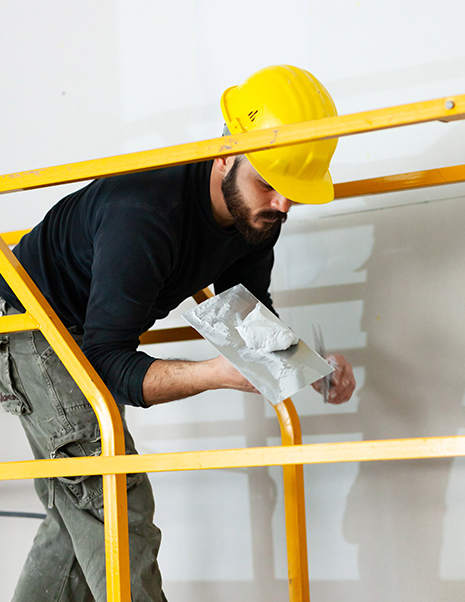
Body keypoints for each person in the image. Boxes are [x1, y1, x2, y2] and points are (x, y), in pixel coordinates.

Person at [0, 65, 356, 601]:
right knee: (114, 496)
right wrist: (213, 374)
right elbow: (107, 363)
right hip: (31, 326)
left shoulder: (256, 217)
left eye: (293, 192)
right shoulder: (145, 212)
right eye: (270, 184)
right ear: (225, 154)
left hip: (77, 333)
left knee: (79, 510)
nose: (282, 205)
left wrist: (309, 369)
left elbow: (248, 318)